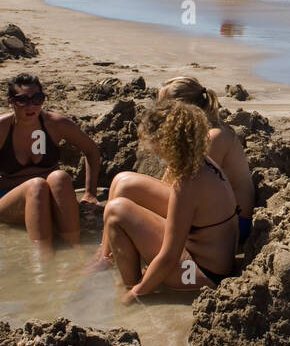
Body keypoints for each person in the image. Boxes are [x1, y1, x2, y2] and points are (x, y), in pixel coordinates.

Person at [98, 77, 256, 254]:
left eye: (162, 105)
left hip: (231, 224)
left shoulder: (213, 137)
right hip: (216, 214)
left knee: (126, 187)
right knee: (121, 183)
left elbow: (183, 185)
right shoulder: (201, 131)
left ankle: (105, 256)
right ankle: (108, 249)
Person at [102, 100, 239, 300]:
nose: (152, 150)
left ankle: (130, 285)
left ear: (167, 142)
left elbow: (169, 257)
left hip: (200, 274)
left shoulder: (187, 184)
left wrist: (134, 294)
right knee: (124, 182)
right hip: (214, 259)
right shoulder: (202, 162)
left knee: (116, 212)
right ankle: (116, 263)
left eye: (153, 144)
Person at [0, 73, 101, 250]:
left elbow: (91, 151)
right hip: (9, 201)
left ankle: (74, 250)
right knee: (36, 186)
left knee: (60, 177)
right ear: (11, 101)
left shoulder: (55, 124)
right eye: (23, 100)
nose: (31, 106)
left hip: (53, 197)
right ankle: (42, 259)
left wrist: (90, 193)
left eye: (37, 99)